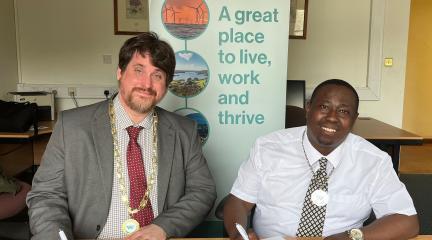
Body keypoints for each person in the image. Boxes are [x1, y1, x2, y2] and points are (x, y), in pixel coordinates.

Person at [26, 32, 216, 240]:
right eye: (138, 70)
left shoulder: (184, 131)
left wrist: (164, 227)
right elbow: (46, 195)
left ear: (166, 84)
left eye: (157, 75)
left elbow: (203, 191)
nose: (147, 84)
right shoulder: (71, 126)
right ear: (120, 72)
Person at [224, 79, 419, 240]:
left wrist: (352, 236)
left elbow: (407, 221)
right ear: (308, 108)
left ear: (354, 118)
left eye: (344, 111)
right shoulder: (267, 148)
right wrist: (237, 234)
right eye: (324, 107)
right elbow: (238, 202)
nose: (332, 118)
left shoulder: (374, 161)